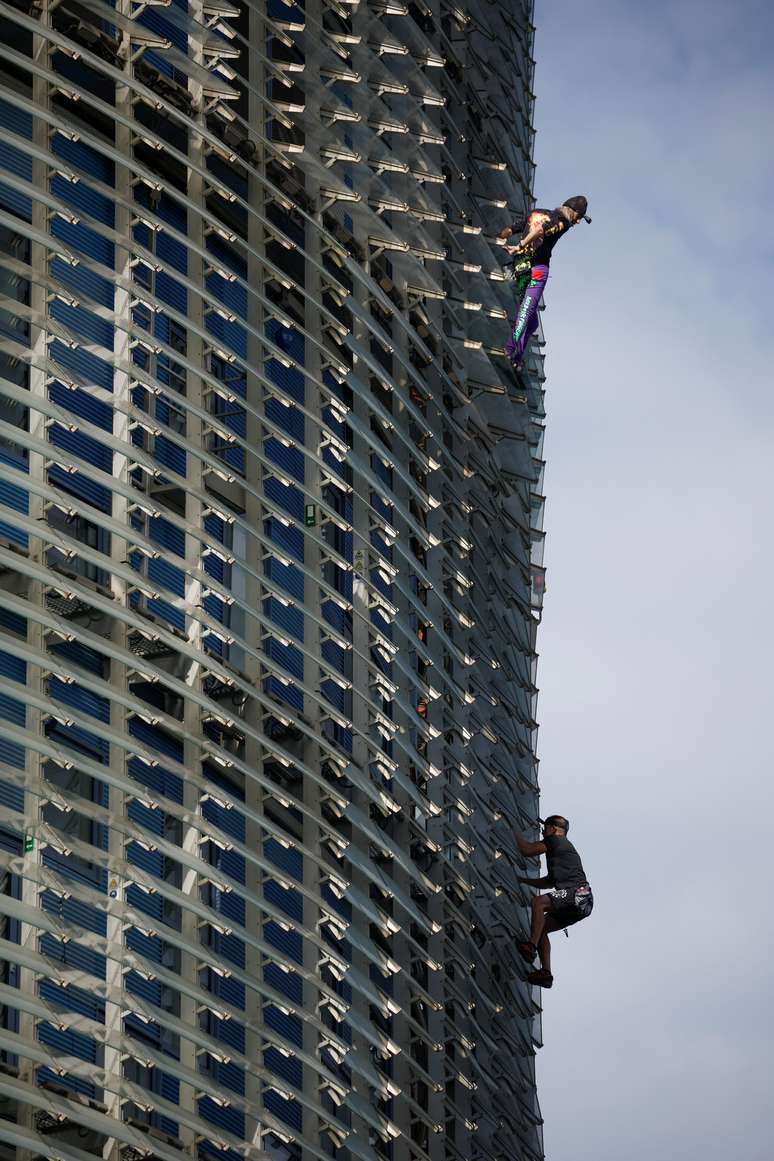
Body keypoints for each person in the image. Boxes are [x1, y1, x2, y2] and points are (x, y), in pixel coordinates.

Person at [498, 196, 591, 369]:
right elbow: (541, 230)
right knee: (526, 312)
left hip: (522, 267)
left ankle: (516, 357)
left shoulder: (537, 212)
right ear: (572, 212)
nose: (577, 223)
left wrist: (498, 238)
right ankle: (508, 351)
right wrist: (521, 245)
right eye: (578, 218)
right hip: (537, 270)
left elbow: (514, 228)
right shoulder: (562, 222)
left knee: (532, 322)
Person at [514, 813, 593, 988]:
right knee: (541, 927)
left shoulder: (555, 841)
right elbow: (549, 882)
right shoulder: (562, 851)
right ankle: (546, 973)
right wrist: (522, 880)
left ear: (554, 829)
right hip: (582, 901)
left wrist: (512, 831)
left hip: (577, 893)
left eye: (545, 828)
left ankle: (531, 947)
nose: (543, 832)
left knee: (538, 902)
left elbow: (527, 851)